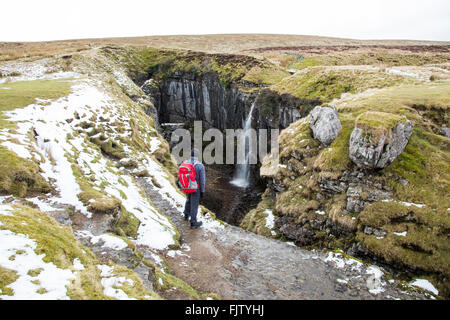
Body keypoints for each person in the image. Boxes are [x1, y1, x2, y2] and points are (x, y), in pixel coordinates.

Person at [183, 148, 206, 229]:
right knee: (194, 204)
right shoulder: (200, 166)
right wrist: (202, 191)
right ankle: (193, 222)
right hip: (196, 188)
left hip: (187, 186)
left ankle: (186, 214)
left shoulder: (186, 162)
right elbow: (202, 180)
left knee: (188, 199)